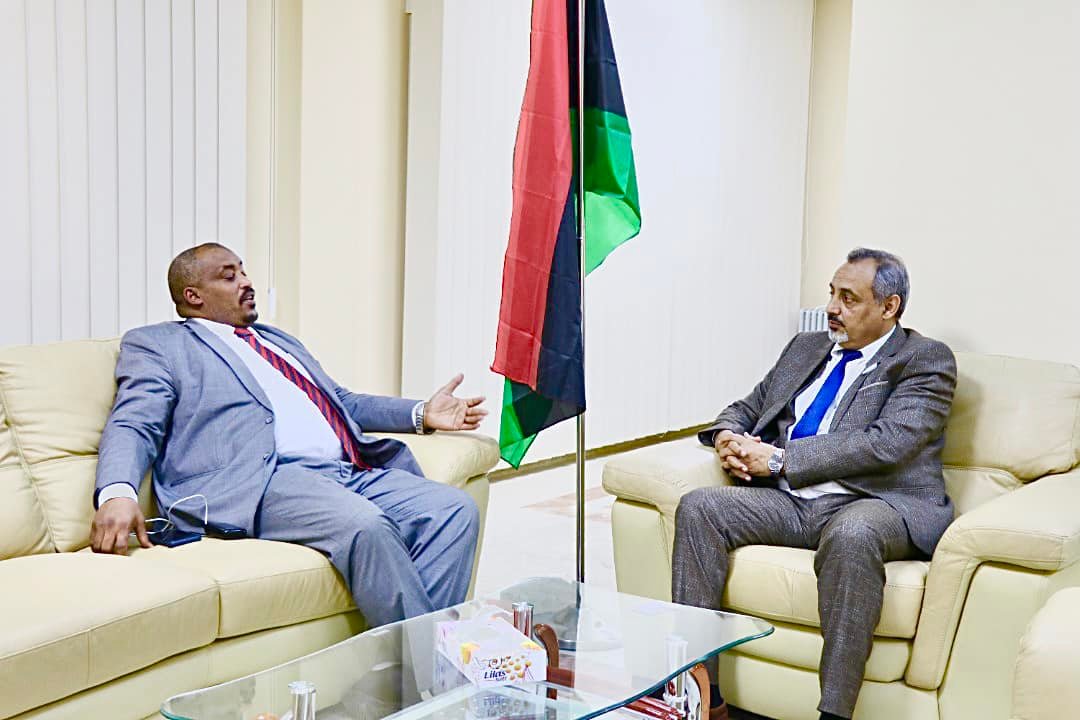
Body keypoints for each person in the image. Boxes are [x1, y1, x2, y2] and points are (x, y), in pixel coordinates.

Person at [90, 243, 488, 627]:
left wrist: (421, 413)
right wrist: (118, 492)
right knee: (366, 525)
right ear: (194, 296)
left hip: (344, 471)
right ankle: (431, 665)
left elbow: (340, 401)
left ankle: (413, 660)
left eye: (244, 271)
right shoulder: (160, 344)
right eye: (229, 277)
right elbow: (134, 421)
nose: (246, 282)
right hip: (263, 480)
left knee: (452, 509)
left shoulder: (276, 341)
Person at [672, 248, 956, 720]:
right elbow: (747, 407)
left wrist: (778, 460)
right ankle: (701, 698)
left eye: (849, 298)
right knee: (699, 507)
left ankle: (834, 713)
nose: (832, 308)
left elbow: (887, 443)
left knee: (853, 535)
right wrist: (727, 437)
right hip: (792, 503)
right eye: (832, 293)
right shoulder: (806, 348)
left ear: (889, 307)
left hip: (871, 501)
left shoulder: (924, 359)